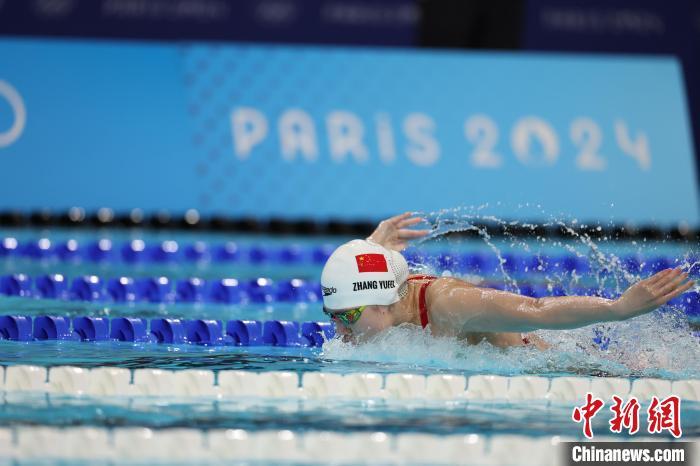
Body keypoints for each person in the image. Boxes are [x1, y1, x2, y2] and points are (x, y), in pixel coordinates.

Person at [321, 213, 696, 349]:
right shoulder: (382, 297)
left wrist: (617, 309)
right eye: (333, 316)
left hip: (548, 364)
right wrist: (373, 244)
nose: (339, 330)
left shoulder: (447, 304)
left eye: (347, 316)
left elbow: (537, 310)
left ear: (382, 299)